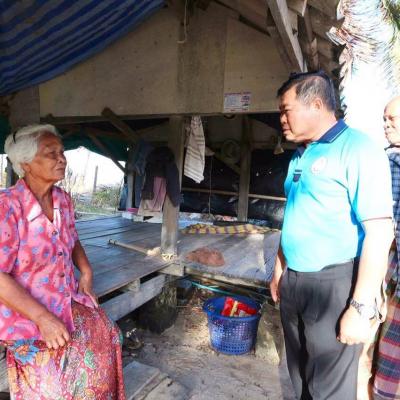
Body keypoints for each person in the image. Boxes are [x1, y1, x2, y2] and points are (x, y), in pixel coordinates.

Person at [269, 71, 394, 400]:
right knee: (299, 376)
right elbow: (294, 215)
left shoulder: (359, 148)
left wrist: (360, 306)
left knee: (330, 388)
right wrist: (279, 269)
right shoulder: (300, 154)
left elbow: (380, 231)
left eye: (286, 110)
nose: (281, 119)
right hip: (294, 281)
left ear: (316, 105)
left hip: (334, 285)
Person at [0, 125, 126, 399]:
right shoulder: (7, 206)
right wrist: (43, 319)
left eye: (62, 152)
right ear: (26, 164)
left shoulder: (62, 200)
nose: (62, 159)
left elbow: (71, 237)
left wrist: (86, 271)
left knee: (109, 336)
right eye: (51, 153)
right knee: (55, 385)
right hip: (25, 314)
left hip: (65, 299)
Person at [373, 96, 400, 399]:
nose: (385, 125)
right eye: (384, 118)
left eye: (392, 118)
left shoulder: (391, 162)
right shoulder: (388, 160)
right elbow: (384, 228)